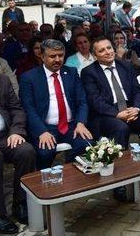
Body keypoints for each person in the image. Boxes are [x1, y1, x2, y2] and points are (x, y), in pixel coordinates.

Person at [80, 38, 140, 196]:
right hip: (106, 115)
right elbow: (94, 101)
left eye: (109, 48)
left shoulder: (125, 65)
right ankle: (118, 182)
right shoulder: (89, 72)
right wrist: (117, 114)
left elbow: (138, 91)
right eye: (101, 50)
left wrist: (137, 108)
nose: (108, 52)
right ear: (94, 55)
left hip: (130, 110)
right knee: (121, 128)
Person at [19, 39, 92, 170]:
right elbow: (28, 108)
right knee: (45, 152)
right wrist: (41, 131)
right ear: (42, 56)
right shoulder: (29, 78)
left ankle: (72, 178)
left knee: (86, 144)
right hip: (45, 126)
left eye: (61, 55)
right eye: (53, 56)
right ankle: (44, 183)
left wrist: (80, 123)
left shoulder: (71, 73)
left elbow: (82, 101)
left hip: (71, 125)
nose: (57, 60)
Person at [0, 45, 35, 232]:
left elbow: (16, 109)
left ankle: (20, 204)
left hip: (5, 135)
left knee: (26, 151)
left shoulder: (2, 81)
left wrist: (16, 131)